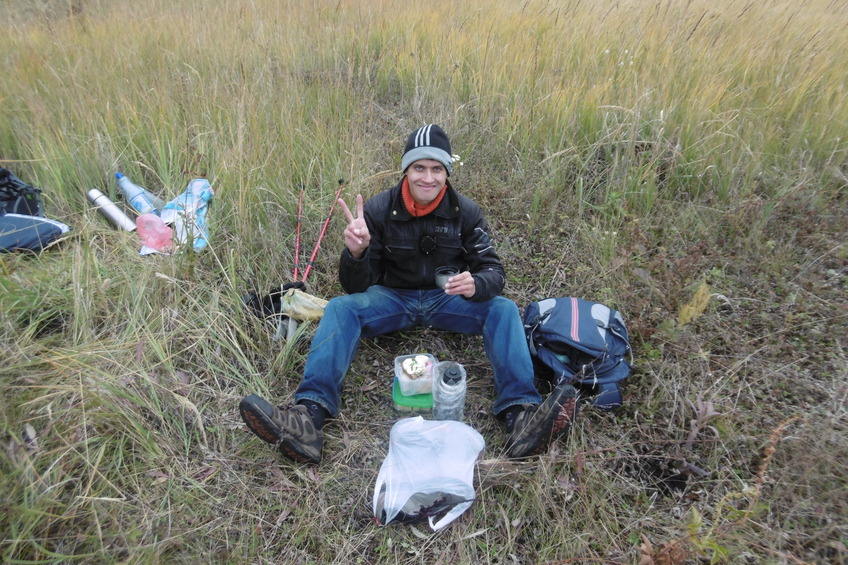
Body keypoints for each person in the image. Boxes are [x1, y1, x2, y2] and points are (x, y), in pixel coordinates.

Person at [239, 124, 578, 464]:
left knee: (503, 310)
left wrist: (477, 284)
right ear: (406, 170)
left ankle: (521, 415)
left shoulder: (466, 212)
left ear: (447, 172)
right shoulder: (377, 209)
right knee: (341, 308)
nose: (427, 178)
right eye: (419, 168)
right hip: (392, 299)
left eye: (437, 169)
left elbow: (493, 270)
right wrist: (356, 254)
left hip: (446, 298)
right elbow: (355, 286)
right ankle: (308, 417)